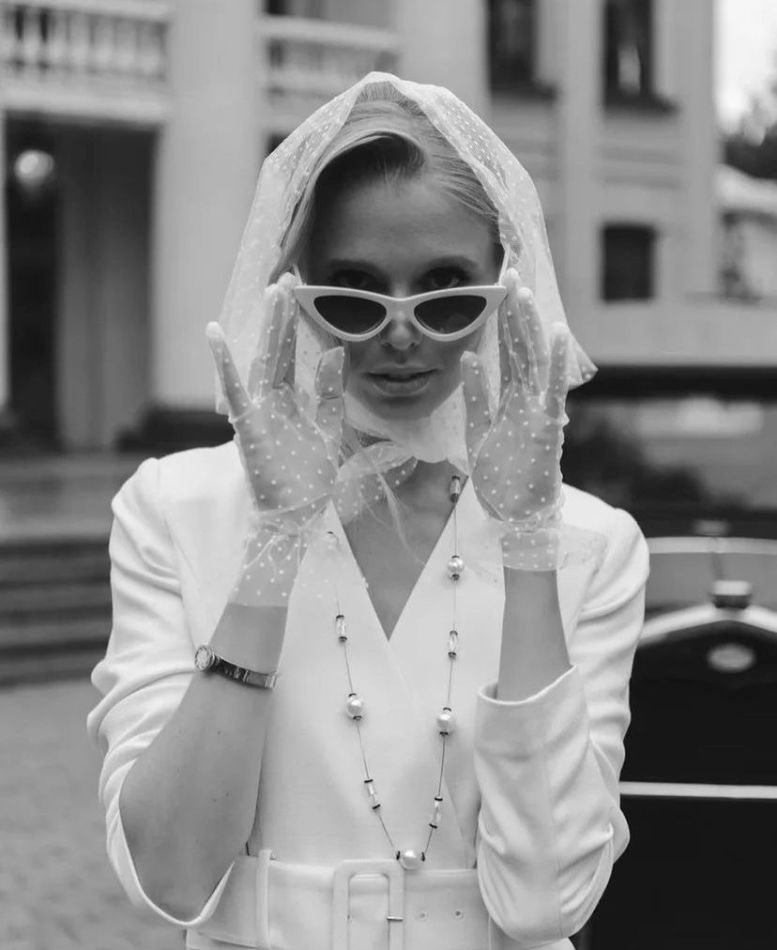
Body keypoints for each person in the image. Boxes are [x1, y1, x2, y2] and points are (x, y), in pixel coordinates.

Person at [87, 73, 649, 950]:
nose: (399, 333)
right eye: (352, 291)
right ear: (292, 292)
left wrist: (528, 544)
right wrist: (275, 544)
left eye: (446, 290)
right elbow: (170, 874)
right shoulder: (176, 508)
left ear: (505, 292)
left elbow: (547, 901)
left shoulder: (589, 545)